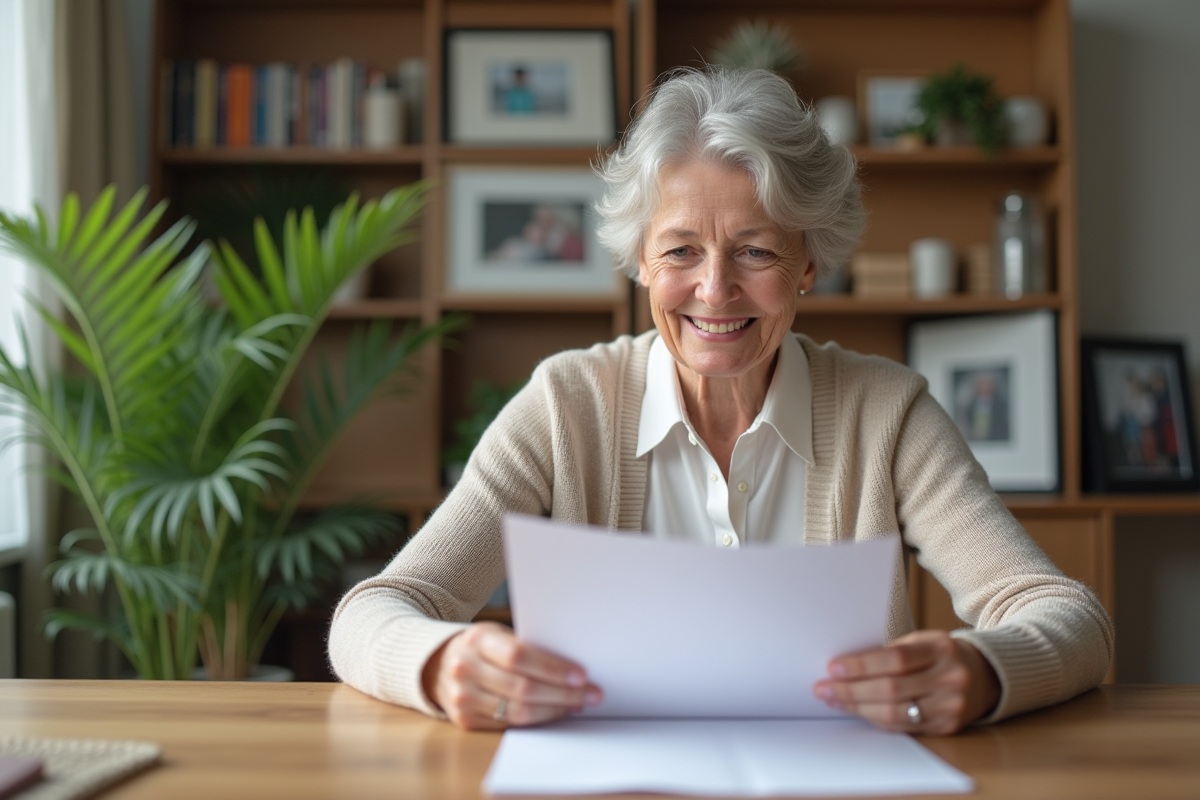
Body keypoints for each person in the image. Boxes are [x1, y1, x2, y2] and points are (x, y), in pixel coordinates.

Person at [328, 67, 1113, 736]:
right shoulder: (566, 406)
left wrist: (979, 670)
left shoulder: (888, 412)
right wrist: (441, 663)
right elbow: (377, 610)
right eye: (680, 251)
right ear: (640, 260)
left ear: (810, 262)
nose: (714, 289)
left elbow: (1069, 618)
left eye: (756, 251)